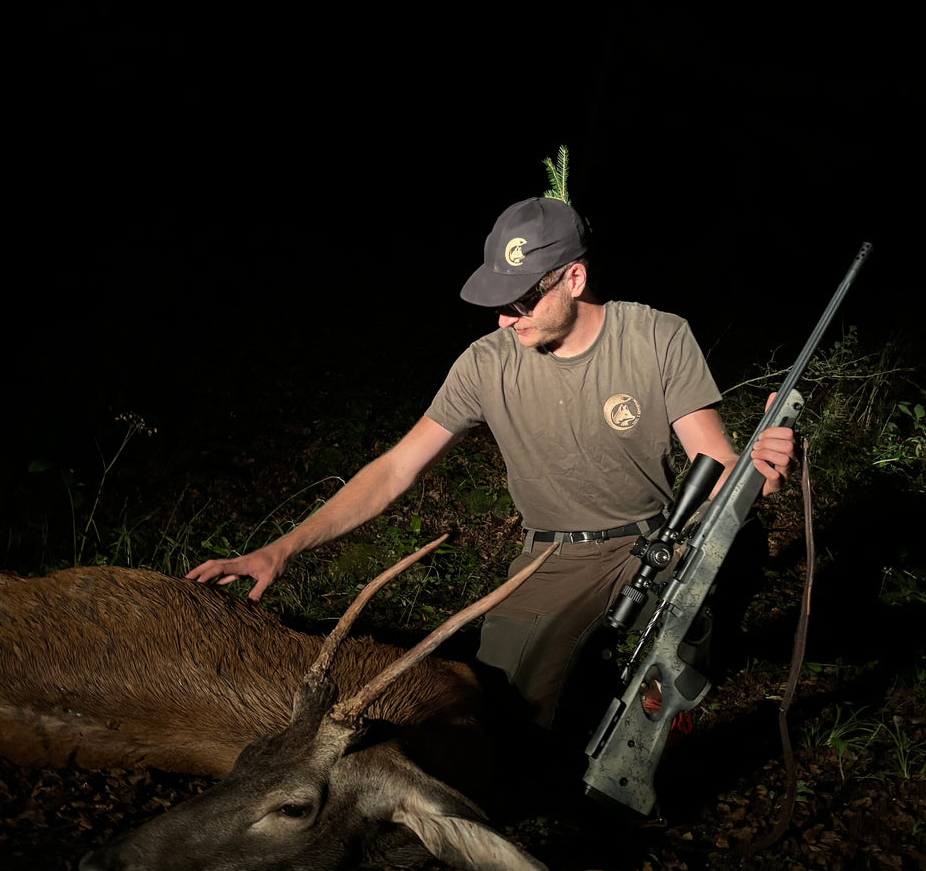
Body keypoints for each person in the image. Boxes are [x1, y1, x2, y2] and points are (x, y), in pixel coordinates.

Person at [188, 196, 795, 728]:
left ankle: (696, 650)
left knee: (722, 569)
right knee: (505, 716)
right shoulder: (485, 363)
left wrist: (757, 475)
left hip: (655, 538)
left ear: (574, 279)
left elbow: (715, 467)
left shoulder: (657, 337)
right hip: (555, 558)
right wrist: (283, 549)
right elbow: (397, 468)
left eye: (523, 301)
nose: (507, 319)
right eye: (497, 304)